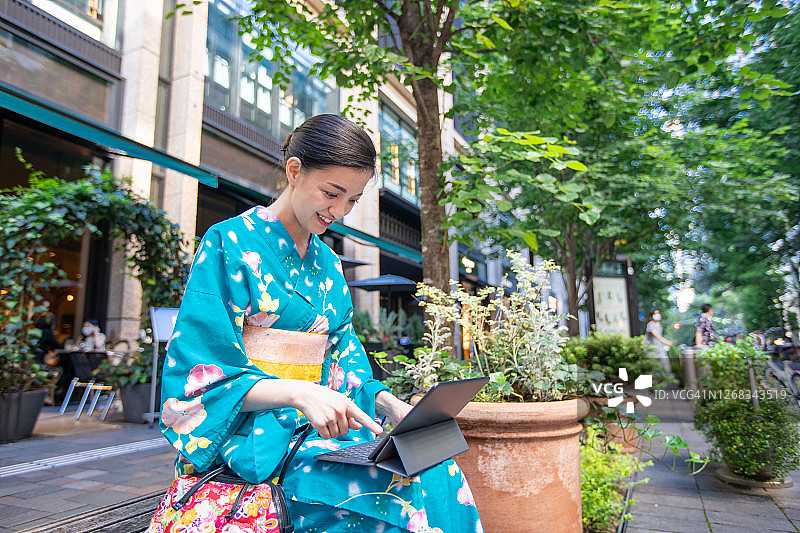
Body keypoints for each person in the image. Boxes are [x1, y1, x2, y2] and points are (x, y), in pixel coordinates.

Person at [154, 114, 482, 532]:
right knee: (396, 489)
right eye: (332, 193)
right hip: (250, 441)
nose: (340, 211)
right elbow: (198, 375)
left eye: (353, 201)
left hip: (315, 435)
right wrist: (298, 392)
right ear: (294, 171)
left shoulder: (328, 264)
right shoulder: (228, 242)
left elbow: (345, 364)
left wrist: (393, 407)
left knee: (439, 469)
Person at [645, 310, 673, 376]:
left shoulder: (659, 324)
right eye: (655, 313)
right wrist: (667, 342)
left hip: (660, 348)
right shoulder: (650, 324)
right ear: (652, 315)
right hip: (653, 350)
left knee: (666, 368)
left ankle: (666, 382)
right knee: (655, 370)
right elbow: (657, 336)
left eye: (658, 313)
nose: (657, 315)